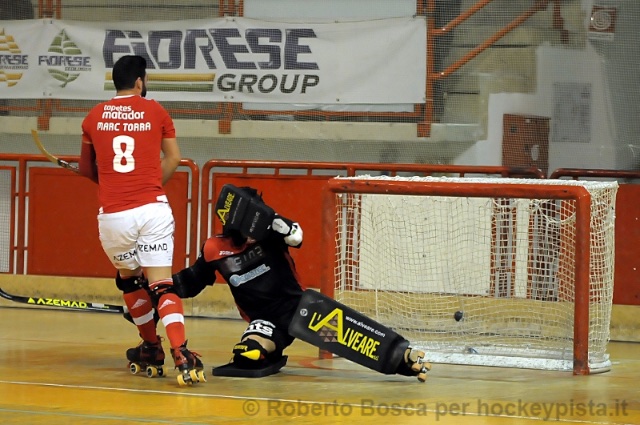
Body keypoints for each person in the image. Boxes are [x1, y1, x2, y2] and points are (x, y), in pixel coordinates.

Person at [163, 184, 430, 382]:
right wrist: (159, 287)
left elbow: (296, 237)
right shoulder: (214, 249)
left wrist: (277, 223)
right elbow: (193, 281)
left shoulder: (271, 231)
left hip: (300, 309)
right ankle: (269, 349)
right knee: (247, 354)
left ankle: (405, 358)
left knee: (350, 337)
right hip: (264, 321)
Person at [78, 55, 204, 385]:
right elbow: (173, 157)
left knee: (130, 280)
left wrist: (115, 184)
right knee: (162, 284)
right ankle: (182, 352)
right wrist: (147, 185)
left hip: (114, 216)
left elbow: (87, 170)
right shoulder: (156, 111)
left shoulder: (93, 117)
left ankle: (151, 347)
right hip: (152, 210)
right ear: (139, 82)